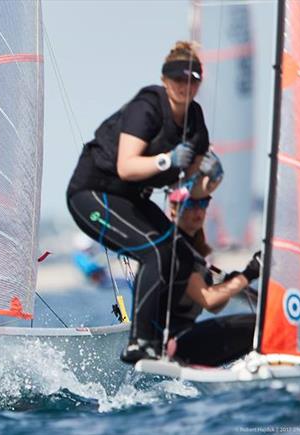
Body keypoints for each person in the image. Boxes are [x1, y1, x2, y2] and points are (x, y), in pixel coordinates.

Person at [66, 41, 224, 363]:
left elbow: (192, 189)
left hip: (130, 200)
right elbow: (127, 165)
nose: (186, 86)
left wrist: (213, 177)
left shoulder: (195, 122)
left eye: (193, 80)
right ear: (166, 79)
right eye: (179, 79)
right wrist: (167, 161)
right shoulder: (148, 106)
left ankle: (167, 338)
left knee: (183, 258)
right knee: (155, 251)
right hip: (93, 193)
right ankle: (141, 342)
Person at [165, 192, 260, 366]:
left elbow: (215, 307)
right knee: (260, 326)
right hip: (173, 345)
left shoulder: (195, 252)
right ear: (173, 210)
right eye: (191, 206)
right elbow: (208, 299)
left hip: (184, 341)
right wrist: (249, 274)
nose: (198, 212)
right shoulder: (175, 249)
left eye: (203, 204)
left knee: (259, 324)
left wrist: (229, 285)